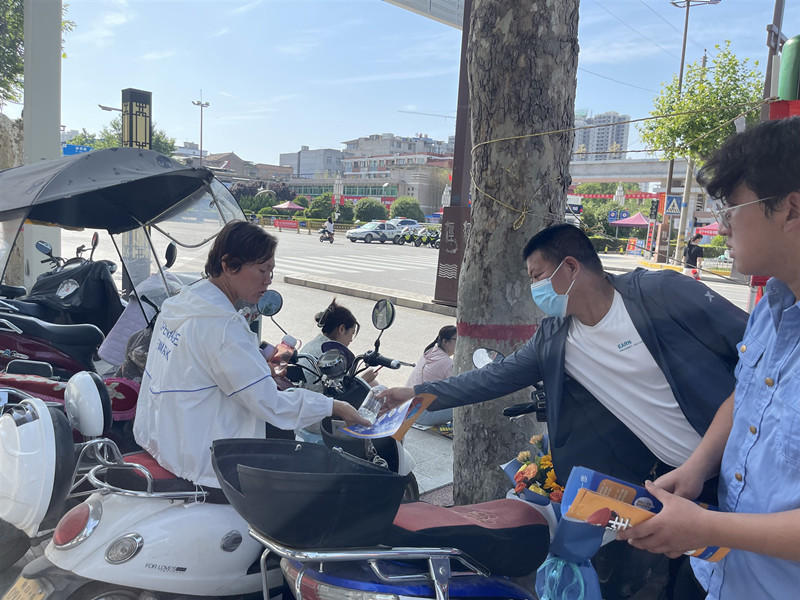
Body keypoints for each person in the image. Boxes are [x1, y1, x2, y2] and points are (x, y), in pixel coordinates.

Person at [379, 223, 748, 598]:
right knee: (701, 579)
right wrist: (416, 394)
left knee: (755, 569)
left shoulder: (659, 293)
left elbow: (758, 348)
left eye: (537, 276)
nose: (534, 288)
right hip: (675, 479)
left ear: (571, 267)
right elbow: (490, 379)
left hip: (746, 457)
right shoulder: (554, 339)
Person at [618, 116, 800, 600]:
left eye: (732, 208)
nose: (721, 226)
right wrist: (697, 467)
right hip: (727, 580)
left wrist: (708, 527)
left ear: (791, 209)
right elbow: (748, 397)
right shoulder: (773, 307)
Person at [133, 221, 367, 488]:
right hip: (203, 465)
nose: (268, 280)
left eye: (271, 271)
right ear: (229, 265)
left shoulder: (181, 304)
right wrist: (334, 406)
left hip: (163, 442)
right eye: (262, 270)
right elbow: (271, 404)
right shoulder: (221, 326)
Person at [404, 325, 457, 426]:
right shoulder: (447, 363)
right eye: (457, 340)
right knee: (464, 404)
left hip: (406, 408)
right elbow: (457, 390)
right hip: (420, 415)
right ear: (445, 342)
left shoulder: (429, 351)